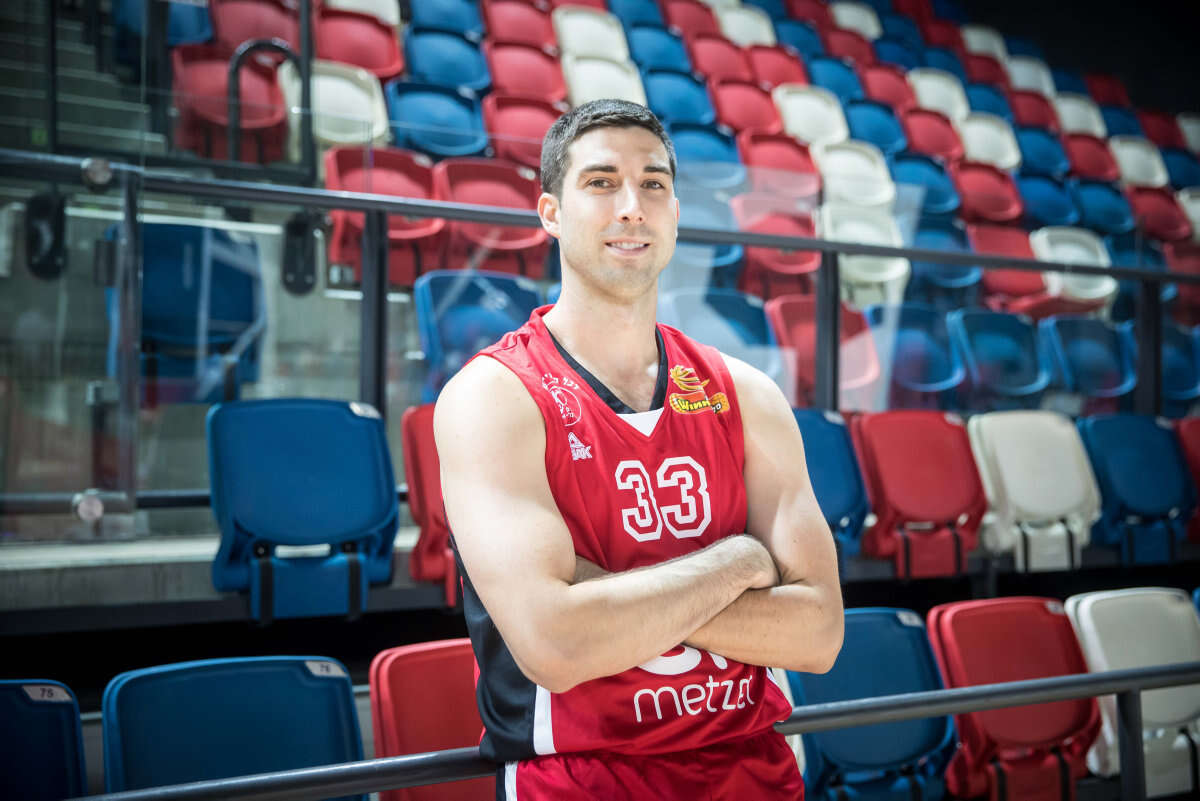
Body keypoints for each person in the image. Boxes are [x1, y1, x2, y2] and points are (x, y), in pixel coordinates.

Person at [434, 99, 844, 800]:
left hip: (754, 770)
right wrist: (741, 562)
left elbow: (819, 632)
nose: (632, 206)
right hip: (581, 780)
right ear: (551, 212)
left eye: (653, 184)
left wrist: (607, 596)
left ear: (675, 214)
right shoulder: (494, 397)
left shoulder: (747, 395)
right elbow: (558, 646)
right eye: (601, 182)